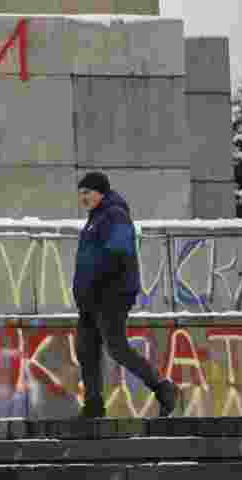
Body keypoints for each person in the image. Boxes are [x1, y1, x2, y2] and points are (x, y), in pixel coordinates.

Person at [72, 171, 180, 418]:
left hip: (111, 295)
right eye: (81, 193)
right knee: (86, 349)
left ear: (101, 192)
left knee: (116, 347)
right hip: (91, 298)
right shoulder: (95, 219)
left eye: (87, 192)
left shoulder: (115, 215)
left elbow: (118, 254)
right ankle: (94, 405)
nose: (83, 198)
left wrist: (99, 285)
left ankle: (163, 388)